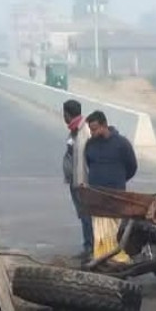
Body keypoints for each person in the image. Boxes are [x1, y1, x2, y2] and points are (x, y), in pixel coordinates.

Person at [62, 99, 94, 256]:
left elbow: (87, 158)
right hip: (75, 181)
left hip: (82, 182)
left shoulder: (84, 131)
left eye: (64, 114)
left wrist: (84, 182)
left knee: (87, 215)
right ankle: (88, 245)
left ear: (67, 114)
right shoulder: (74, 130)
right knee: (83, 215)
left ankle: (90, 247)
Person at [83, 110, 138, 191]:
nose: (91, 133)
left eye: (94, 129)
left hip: (116, 193)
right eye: (90, 129)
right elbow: (89, 163)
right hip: (95, 192)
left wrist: (119, 179)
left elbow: (132, 167)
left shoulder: (122, 144)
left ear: (104, 125)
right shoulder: (90, 144)